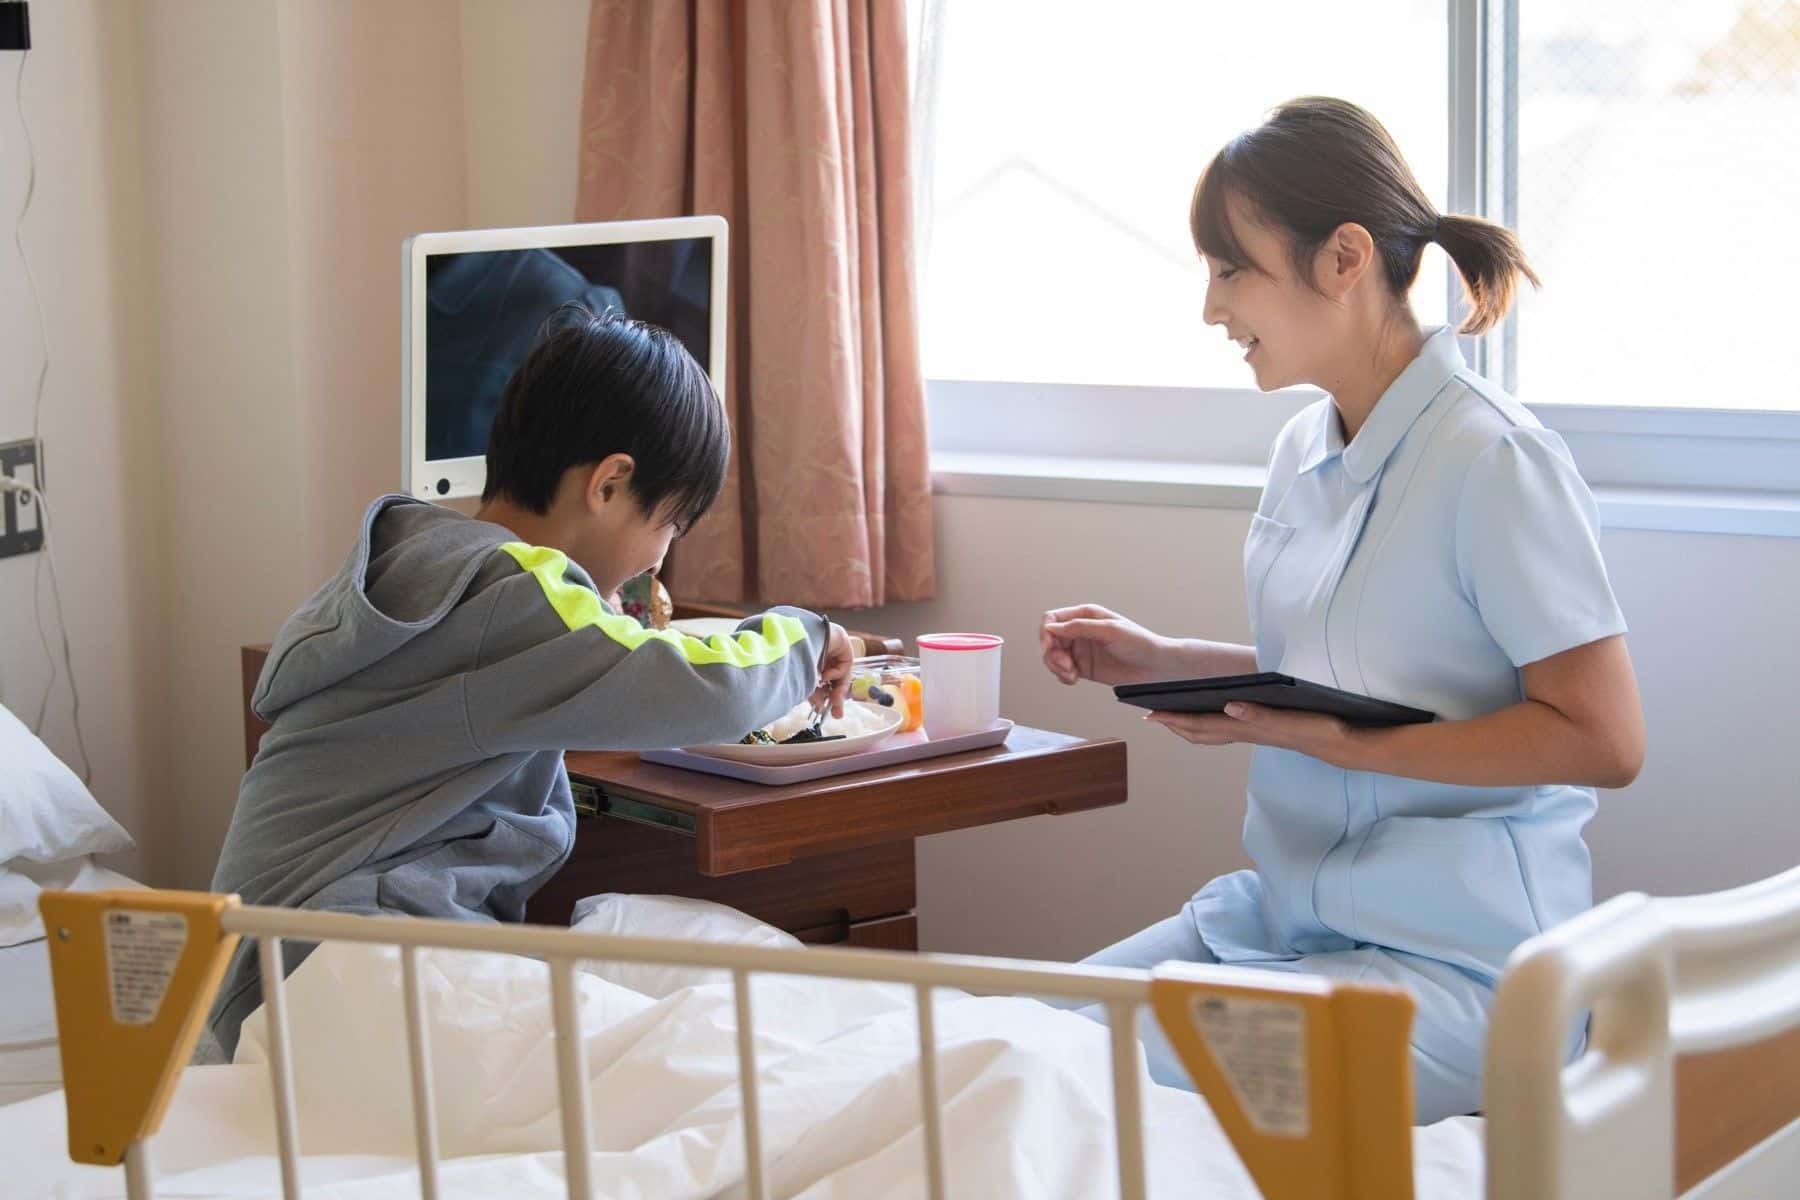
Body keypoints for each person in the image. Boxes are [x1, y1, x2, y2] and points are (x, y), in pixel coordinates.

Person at [1039, 98, 1644, 1123]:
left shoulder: (1494, 458)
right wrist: (1166, 658)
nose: (1212, 308)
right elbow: (1361, 675)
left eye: (1232, 269)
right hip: (1288, 921)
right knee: (1012, 1033)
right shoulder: (1305, 450)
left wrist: (1349, 751)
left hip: (1461, 973)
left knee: (1077, 1080)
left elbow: (1604, 737)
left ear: (1344, 258)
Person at [210, 308, 853, 1054]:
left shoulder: (426, 560)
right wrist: (811, 638)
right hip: (344, 966)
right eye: (669, 527)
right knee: (729, 1022)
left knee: (697, 982)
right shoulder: (512, 596)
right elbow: (701, 690)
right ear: (610, 484)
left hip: (279, 966)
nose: (657, 561)